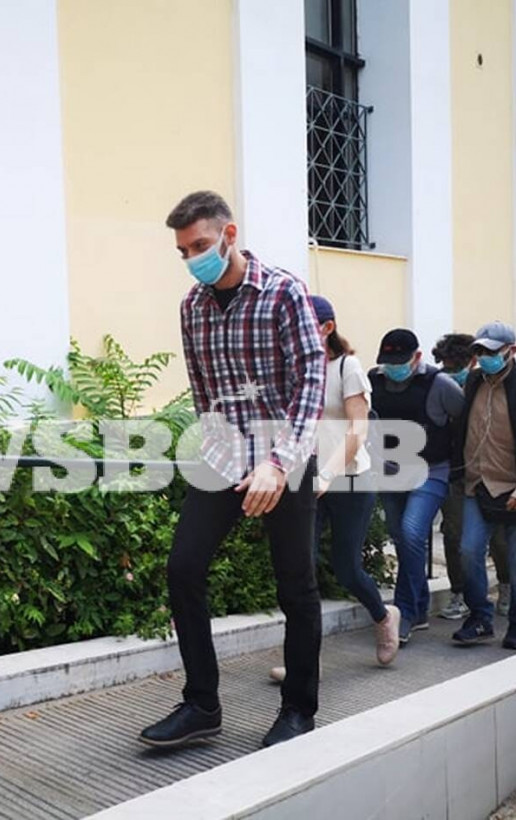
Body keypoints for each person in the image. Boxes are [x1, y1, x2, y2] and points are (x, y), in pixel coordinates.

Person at [139, 191, 326, 749]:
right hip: (224, 456)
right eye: (183, 251)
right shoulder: (192, 307)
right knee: (183, 567)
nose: (192, 258)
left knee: (296, 586)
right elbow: (203, 391)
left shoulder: (284, 292)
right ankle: (202, 705)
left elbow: (310, 382)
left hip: (285, 458)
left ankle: (299, 710)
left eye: (199, 245)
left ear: (229, 234)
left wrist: (278, 463)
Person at [269, 296, 399, 684]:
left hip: (350, 481)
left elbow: (358, 430)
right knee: (299, 569)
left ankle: (384, 616)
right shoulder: (295, 370)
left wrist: (326, 474)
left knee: (346, 568)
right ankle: (303, 661)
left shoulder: (347, 367)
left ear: (327, 328)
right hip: (306, 480)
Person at [368, 329, 464, 644]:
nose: (392, 368)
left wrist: (461, 468)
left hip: (431, 471)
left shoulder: (440, 385)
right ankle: (419, 608)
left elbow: (466, 421)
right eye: (388, 362)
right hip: (391, 473)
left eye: (400, 362)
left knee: (411, 533)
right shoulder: (374, 381)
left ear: (417, 358)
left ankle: (404, 612)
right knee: (402, 539)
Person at [432, 333, 510, 620]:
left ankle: (505, 586)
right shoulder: (446, 385)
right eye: (445, 366)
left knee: (500, 539)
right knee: (456, 536)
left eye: (456, 366)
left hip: (498, 474)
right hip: (460, 472)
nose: (450, 372)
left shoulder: (484, 384)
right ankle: (461, 593)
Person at [452, 322, 516, 649]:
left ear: (511, 351)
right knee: (468, 550)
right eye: (479, 351)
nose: (483, 357)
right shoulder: (474, 380)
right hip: (477, 483)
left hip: (511, 484)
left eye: (491, 351)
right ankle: (479, 618)